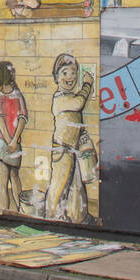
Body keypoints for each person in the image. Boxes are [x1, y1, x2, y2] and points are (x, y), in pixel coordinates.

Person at [44, 53, 94, 222]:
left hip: (72, 150)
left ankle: (79, 217)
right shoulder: (59, 99)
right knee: (59, 187)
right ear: (56, 77)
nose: (70, 77)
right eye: (65, 73)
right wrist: (88, 85)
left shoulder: (70, 96)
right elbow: (78, 103)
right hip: (62, 150)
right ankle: (51, 217)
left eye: (73, 72)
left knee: (76, 188)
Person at [0, 60, 28, 213]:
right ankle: (3, 212)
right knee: (3, 180)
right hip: (2, 143)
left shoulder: (18, 95)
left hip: (12, 142)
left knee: (14, 177)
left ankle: (21, 210)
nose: (13, 73)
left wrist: (13, 141)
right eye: (10, 71)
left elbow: (23, 118)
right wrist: (9, 141)